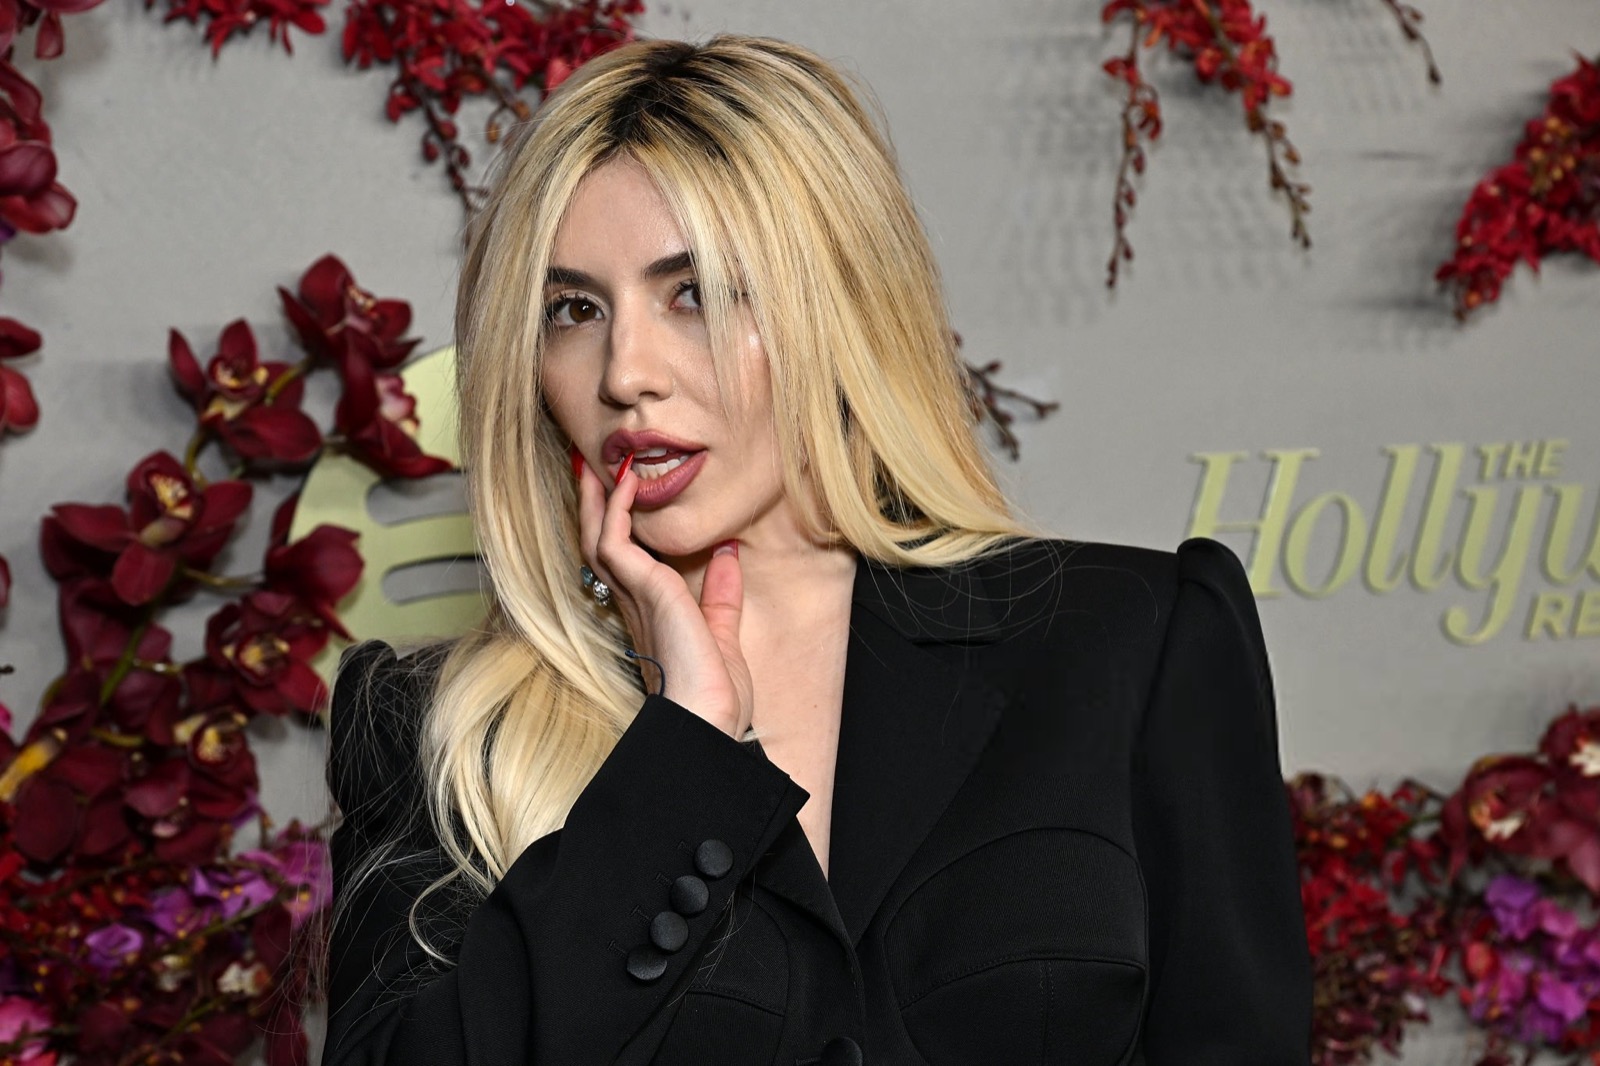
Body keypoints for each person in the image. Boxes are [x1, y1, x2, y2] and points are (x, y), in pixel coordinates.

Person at [320, 33, 1312, 1066]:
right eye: (573, 310)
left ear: (839, 305)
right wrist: (680, 752)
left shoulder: (1130, 639)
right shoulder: (437, 730)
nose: (625, 372)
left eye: (696, 291)